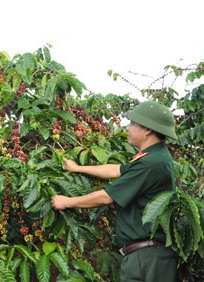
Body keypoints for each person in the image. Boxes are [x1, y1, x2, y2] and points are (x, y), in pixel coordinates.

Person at [51, 101, 179, 282]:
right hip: (145, 255)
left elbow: (105, 197)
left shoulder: (151, 163)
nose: (127, 128)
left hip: (148, 259)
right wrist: (78, 168)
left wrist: (66, 202)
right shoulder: (153, 156)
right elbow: (116, 170)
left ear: (148, 130)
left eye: (132, 123)